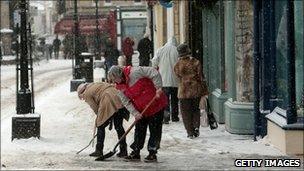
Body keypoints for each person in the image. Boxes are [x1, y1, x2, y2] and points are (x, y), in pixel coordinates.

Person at [108, 65, 167, 162]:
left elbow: (154, 72)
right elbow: (126, 102)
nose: (115, 82)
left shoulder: (135, 72)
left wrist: (158, 87)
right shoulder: (119, 87)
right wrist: (135, 113)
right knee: (139, 129)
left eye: (115, 79)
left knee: (155, 129)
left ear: (120, 74)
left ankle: (152, 153)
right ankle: (136, 152)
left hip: (156, 104)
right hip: (140, 110)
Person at [77, 82, 129, 159]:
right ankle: (123, 150)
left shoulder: (86, 93)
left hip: (107, 99)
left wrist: (99, 118)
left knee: (100, 126)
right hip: (119, 98)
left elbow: (95, 107)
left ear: (82, 92)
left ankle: (99, 150)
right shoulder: (96, 84)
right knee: (119, 126)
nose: (83, 98)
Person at [174, 44, 208, 139]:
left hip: (183, 91)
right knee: (195, 110)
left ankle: (189, 131)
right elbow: (201, 77)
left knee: (185, 112)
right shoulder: (196, 62)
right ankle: (196, 126)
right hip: (195, 89)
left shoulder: (178, 64)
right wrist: (204, 90)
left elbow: (177, 75)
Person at [152, 37, 179, 124]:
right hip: (175, 80)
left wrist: (156, 68)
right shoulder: (177, 50)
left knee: (165, 99)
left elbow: (154, 62)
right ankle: (175, 116)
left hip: (163, 79)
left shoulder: (160, 50)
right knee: (175, 99)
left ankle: (166, 117)